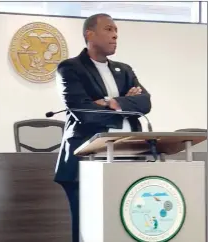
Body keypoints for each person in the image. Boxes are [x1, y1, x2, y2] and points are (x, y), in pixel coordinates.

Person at [54, 13, 151, 242]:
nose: (115, 35)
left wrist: (110, 102)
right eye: (108, 29)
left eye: (116, 30)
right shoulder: (70, 68)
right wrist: (125, 104)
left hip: (128, 157)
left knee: (124, 228)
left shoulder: (124, 70)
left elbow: (145, 103)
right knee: (87, 230)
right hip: (85, 160)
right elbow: (85, 113)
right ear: (90, 34)